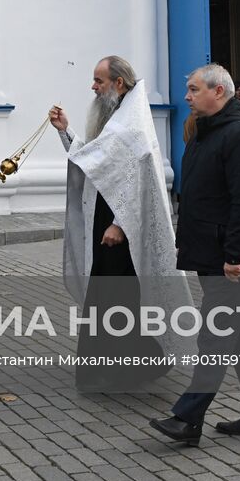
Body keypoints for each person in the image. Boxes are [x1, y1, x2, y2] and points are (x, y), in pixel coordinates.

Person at [149, 64, 240, 447]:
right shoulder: (208, 132)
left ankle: (188, 417)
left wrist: (236, 255)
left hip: (235, 259)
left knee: (216, 334)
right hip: (214, 251)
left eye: (192, 90)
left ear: (218, 92)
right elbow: (201, 195)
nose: (186, 97)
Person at [50, 56, 193, 392]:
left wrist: (119, 224)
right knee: (105, 296)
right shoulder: (116, 117)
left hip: (120, 230)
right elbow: (95, 160)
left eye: (99, 81)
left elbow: (134, 181)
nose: (93, 87)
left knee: (118, 298)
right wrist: (65, 132)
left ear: (118, 83)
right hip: (107, 220)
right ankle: (113, 366)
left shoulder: (130, 126)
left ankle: (127, 367)